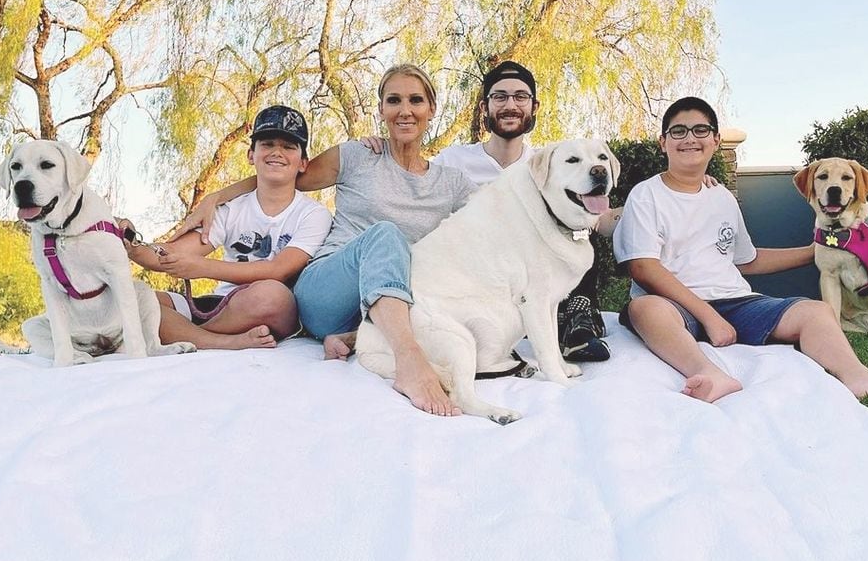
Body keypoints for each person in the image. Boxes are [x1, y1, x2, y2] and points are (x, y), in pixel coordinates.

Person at [173, 64, 475, 417]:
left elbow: (494, 222)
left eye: (415, 100)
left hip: (391, 304)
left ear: (431, 109)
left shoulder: (452, 184)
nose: (405, 110)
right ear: (381, 110)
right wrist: (216, 197)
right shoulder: (357, 156)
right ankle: (409, 362)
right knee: (386, 234)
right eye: (394, 100)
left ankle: (353, 339)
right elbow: (283, 173)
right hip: (327, 292)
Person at [612, 95, 868, 409]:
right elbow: (643, 268)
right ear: (663, 142)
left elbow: (747, 260)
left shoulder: (720, 195)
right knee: (645, 308)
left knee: (815, 311)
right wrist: (710, 318)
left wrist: (817, 250)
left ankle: (859, 378)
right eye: (678, 131)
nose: (689, 139)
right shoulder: (647, 194)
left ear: (715, 140)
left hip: (736, 301)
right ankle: (708, 373)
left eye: (700, 130)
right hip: (675, 306)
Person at [364, 60, 613, 362]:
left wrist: (633, 212)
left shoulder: (551, 163)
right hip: (482, 273)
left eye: (520, 97)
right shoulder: (454, 161)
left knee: (574, 237)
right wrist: (381, 148)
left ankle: (576, 319)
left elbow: (595, 214)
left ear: (534, 106)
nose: (511, 104)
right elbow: (414, 198)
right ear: (485, 107)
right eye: (500, 97)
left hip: (536, 267)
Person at [127, 105, 333, 350]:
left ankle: (186, 333)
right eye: (267, 144)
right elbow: (173, 255)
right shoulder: (230, 208)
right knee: (136, 299)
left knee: (271, 295)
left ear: (302, 163)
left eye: (289, 147)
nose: (277, 152)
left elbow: (278, 270)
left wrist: (202, 267)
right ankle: (220, 341)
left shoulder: (314, 214)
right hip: (219, 303)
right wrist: (130, 244)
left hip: (273, 307)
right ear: (250, 155)